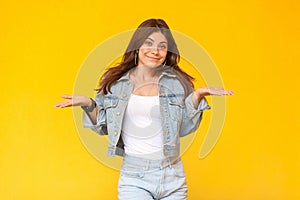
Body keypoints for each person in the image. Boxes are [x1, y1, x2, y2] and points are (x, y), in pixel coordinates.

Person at [54, 18, 233, 200]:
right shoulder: (116, 84)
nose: (155, 51)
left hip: (173, 175)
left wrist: (197, 95)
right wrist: (87, 103)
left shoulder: (176, 84)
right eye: (149, 43)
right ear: (137, 46)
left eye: (162, 46)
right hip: (135, 177)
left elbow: (184, 128)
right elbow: (103, 126)